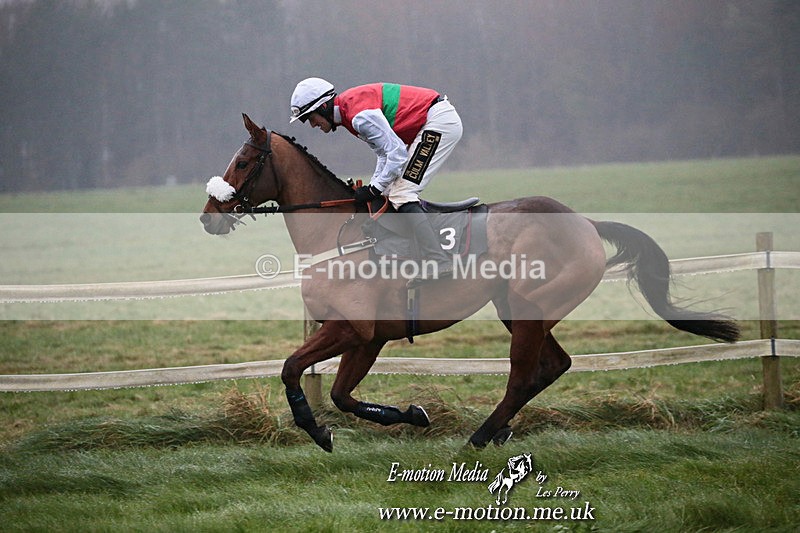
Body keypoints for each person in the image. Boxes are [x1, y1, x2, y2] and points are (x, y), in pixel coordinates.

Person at [289, 77, 463, 280]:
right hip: (430, 122)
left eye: (310, 118)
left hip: (438, 123)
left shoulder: (358, 116)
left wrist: (374, 189)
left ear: (324, 106)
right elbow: (383, 153)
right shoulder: (349, 112)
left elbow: (396, 153)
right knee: (390, 193)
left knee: (402, 193)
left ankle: (439, 261)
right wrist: (375, 186)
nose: (312, 125)